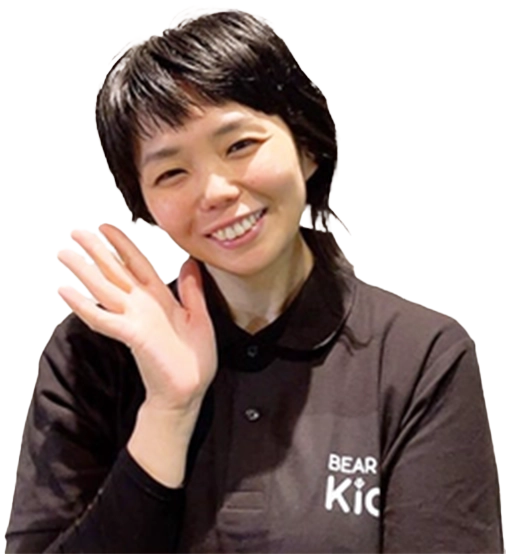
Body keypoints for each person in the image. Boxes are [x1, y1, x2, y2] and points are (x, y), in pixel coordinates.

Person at [5, 6, 503, 553]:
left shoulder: (419, 357)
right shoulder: (92, 356)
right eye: (172, 172)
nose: (215, 191)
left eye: (239, 145)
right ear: (145, 204)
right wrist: (169, 410)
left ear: (307, 146)